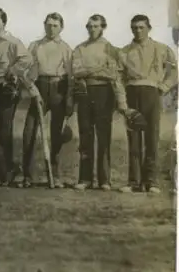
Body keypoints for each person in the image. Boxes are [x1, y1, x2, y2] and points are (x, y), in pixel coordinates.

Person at [0, 6, 40, 187]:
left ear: (4, 21)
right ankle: (8, 168)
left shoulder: (12, 41)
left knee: (5, 134)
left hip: (7, 90)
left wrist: (13, 71)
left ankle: (3, 174)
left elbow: (27, 59)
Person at [116, 14, 177, 194]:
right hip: (132, 93)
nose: (138, 31)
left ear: (149, 28)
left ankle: (152, 182)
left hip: (152, 93)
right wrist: (122, 103)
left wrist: (163, 87)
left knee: (152, 138)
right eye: (134, 28)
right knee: (134, 139)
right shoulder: (124, 52)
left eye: (141, 27)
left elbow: (174, 71)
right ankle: (134, 181)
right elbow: (118, 78)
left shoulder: (161, 49)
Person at [69, 14, 126, 191]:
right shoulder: (79, 48)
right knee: (85, 135)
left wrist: (90, 71)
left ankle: (104, 180)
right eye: (90, 26)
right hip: (85, 92)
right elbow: (77, 72)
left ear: (103, 27)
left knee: (103, 136)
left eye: (96, 26)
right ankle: (85, 179)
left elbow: (112, 74)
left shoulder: (111, 49)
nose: (92, 29)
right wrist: (98, 70)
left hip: (104, 93)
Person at [20, 13, 73, 188]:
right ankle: (26, 175)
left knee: (56, 134)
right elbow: (24, 71)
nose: (51, 28)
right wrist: (31, 88)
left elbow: (71, 76)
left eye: (55, 25)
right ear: (44, 25)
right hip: (39, 88)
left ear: (61, 27)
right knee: (29, 132)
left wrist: (68, 99)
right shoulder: (35, 45)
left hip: (58, 88)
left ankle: (55, 176)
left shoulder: (66, 48)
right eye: (48, 25)